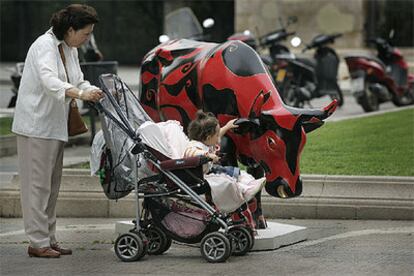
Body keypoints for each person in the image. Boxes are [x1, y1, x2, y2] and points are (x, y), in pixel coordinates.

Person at [11, 4, 103, 258]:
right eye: (85, 33)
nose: (87, 39)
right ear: (71, 29)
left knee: (50, 187)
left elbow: (77, 79)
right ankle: (38, 242)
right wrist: (81, 93)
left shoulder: (68, 48)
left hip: (53, 126)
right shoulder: (44, 45)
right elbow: (51, 82)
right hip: (37, 126)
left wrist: (91, 90)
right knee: (37, 187)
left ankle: (48, 239)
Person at [184, 110, 265, 209]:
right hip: (200, 177)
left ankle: (249, 186)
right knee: (227, 182)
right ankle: (244, 190)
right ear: (209, 137)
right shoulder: (194, 146)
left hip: (208, 172)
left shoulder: (206, 142)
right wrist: (207, 156)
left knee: (238, 173)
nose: (219, 137)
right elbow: (192, 154)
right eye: (217, 135)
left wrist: (227, 126)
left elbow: (218, 134)